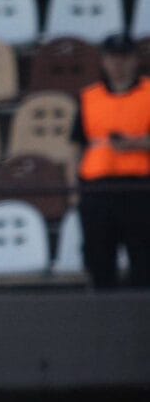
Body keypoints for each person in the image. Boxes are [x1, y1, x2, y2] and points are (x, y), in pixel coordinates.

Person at [73, 32, 150, 290]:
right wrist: (75, 190)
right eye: (112, 58)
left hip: (140, 188)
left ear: (135, 60)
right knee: (99, 260)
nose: (118, 64)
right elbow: (77, 146)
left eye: (124, 57)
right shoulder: (88, 97)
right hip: (98, 190)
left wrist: (136, 144)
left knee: (144, 261)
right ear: (104, 61)